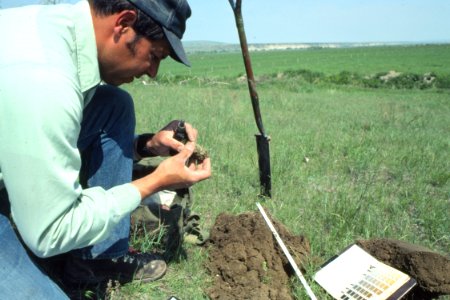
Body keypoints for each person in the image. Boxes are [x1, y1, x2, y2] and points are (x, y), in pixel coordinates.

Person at [0, 0, 211, 298]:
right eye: (155, 55)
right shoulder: (46, 80)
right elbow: (50, 233)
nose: (152, 72)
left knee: (114, 104)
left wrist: (146, 146)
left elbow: (60, 136)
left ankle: (98, 261)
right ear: (123, 23)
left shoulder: (56, 27)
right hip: (41, 219)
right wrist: (155, 181)